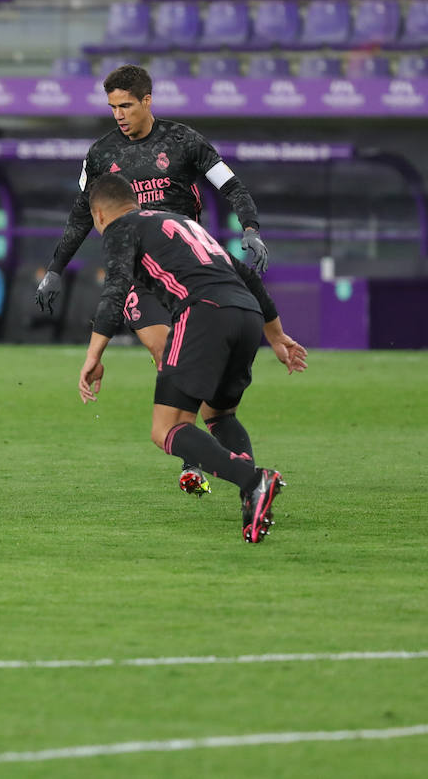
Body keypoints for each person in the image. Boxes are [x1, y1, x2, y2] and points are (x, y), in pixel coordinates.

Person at [36, 63, 269, 495]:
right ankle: (196, 453)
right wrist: (55, 268)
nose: (119, 114)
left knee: (190, 362)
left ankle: (199, 454)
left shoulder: (184, 142)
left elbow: (232, 186)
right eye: (112, 107)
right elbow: (79, 215)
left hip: (187, 274)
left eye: (126, 105)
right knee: (164, 350)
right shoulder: (100, 154)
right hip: (138, 275)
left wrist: (250, 227)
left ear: (147, 101)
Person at [78, 174, 306, 543]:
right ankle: (253, 498)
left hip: (204, 314)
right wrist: (276, 335)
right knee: (218, 414)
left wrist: (94, 354)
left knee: (166, 429)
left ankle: (254, 479)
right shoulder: (179, 222)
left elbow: (116, 290)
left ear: (99, 215)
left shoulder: (120, 229)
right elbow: (246, 273)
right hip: (247, 315)